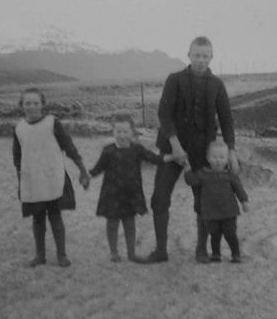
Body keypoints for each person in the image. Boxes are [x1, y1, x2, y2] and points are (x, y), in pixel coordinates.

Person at [141, 36, 240, 264]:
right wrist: (176, 147)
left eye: (205, 56)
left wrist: (232, 153)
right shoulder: (174, 80)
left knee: (203, 202)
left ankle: (201, 249)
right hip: (171, 148)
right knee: (159, 198)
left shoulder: (217, 85)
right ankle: (161, 250)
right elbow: (164, 115)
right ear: (189, 55)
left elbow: (227, 121)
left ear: (211, 57)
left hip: (202, 153)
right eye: (197, 55)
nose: (201, 60)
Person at [12, 87, 90, 267]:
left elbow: (68, 146)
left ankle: (62, 255)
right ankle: (40, 256)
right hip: (32, 180)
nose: (32, 107)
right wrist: (21, 179)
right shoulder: (19, 128)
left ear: (42, 105)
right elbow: (17, 156)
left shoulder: (52, 123)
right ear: (22, 105)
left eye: (35, 103)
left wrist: (82, 170)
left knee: (55, 216)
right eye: (27, 103)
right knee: (38, 218)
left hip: (53, 177)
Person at [89, 114, 175, 262]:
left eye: (125, 131)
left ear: (132, 133)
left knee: (129, 224)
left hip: (131, 195)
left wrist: (173, 156)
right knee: (112, 224)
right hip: (112, 195)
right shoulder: (108, 151)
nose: (122, 135)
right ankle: (114, 253)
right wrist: (87, 176)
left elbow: (155, 159)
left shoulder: (137, 149)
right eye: (118, 131)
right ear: (113, 132)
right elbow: (98, 168)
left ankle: (131, 254)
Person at [183, 140, 250, 263]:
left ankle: (236, 254)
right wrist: (187, 169)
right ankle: (216, 254)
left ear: (227, 159)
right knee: (214, 234)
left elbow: (238, 188)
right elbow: (192, 181)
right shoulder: (203, 173)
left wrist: (244, 201)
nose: (218, 160)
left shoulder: (230, 175)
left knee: (230, 233)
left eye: (222, 157)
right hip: (211, 212)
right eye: (214, 157)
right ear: (208, 158)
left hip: (229, 211)